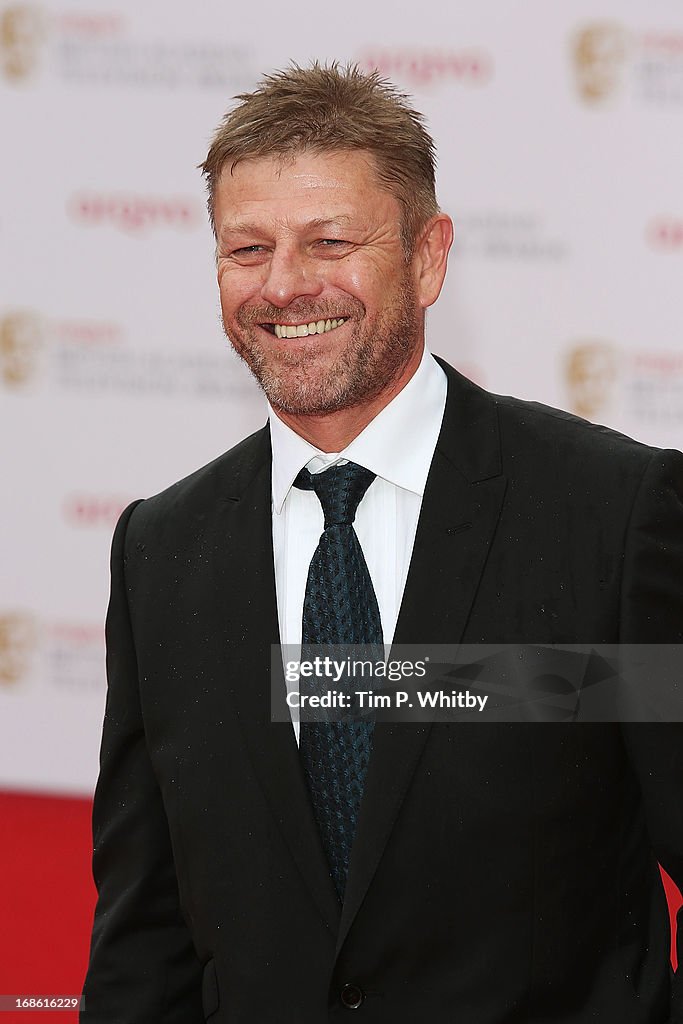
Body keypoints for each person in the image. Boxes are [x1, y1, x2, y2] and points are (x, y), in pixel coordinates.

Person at [81, 63, 683, 1023]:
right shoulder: (162, 550)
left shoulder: (609, 514)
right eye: (246, 249)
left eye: (329, 241)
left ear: (428, 256)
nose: (284, 285)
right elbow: (145, 933)